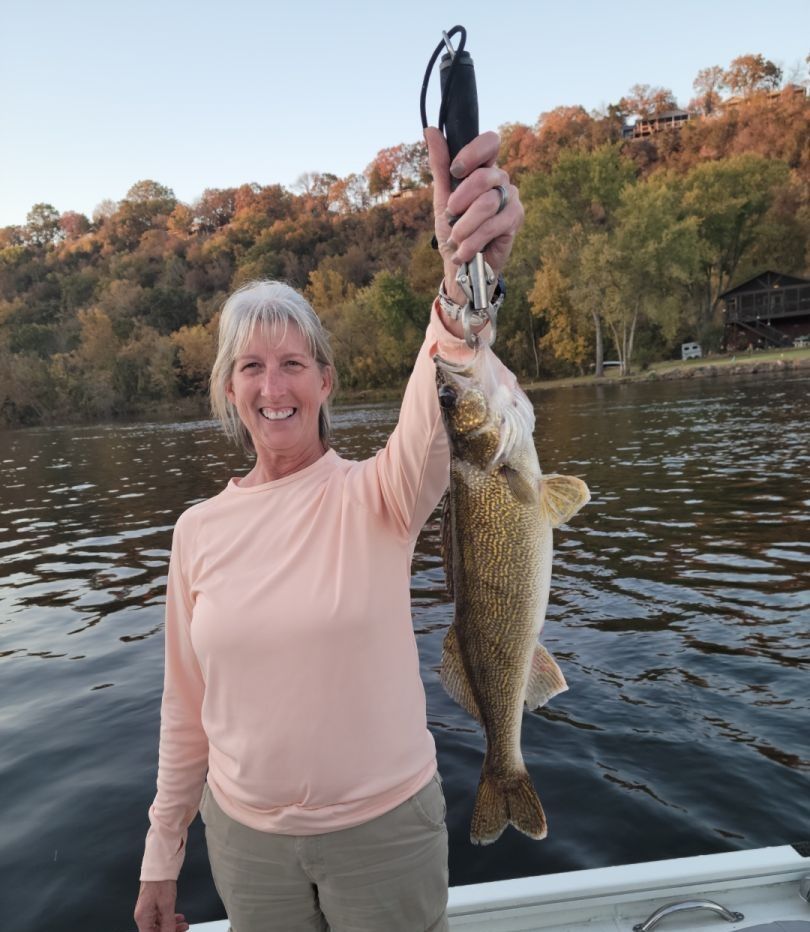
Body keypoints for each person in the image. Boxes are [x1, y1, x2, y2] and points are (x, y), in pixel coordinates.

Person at [134, 127, 524, 932]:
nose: (272, 386)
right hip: (245, 844)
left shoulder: (380, 493)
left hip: (384, 837)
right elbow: (185, 707)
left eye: (292, 364)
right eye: (251, 366)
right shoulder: (196, 531)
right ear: (228, 390)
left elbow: (440, 382)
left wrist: (466, 279)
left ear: (325, 381)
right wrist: (162, 852)